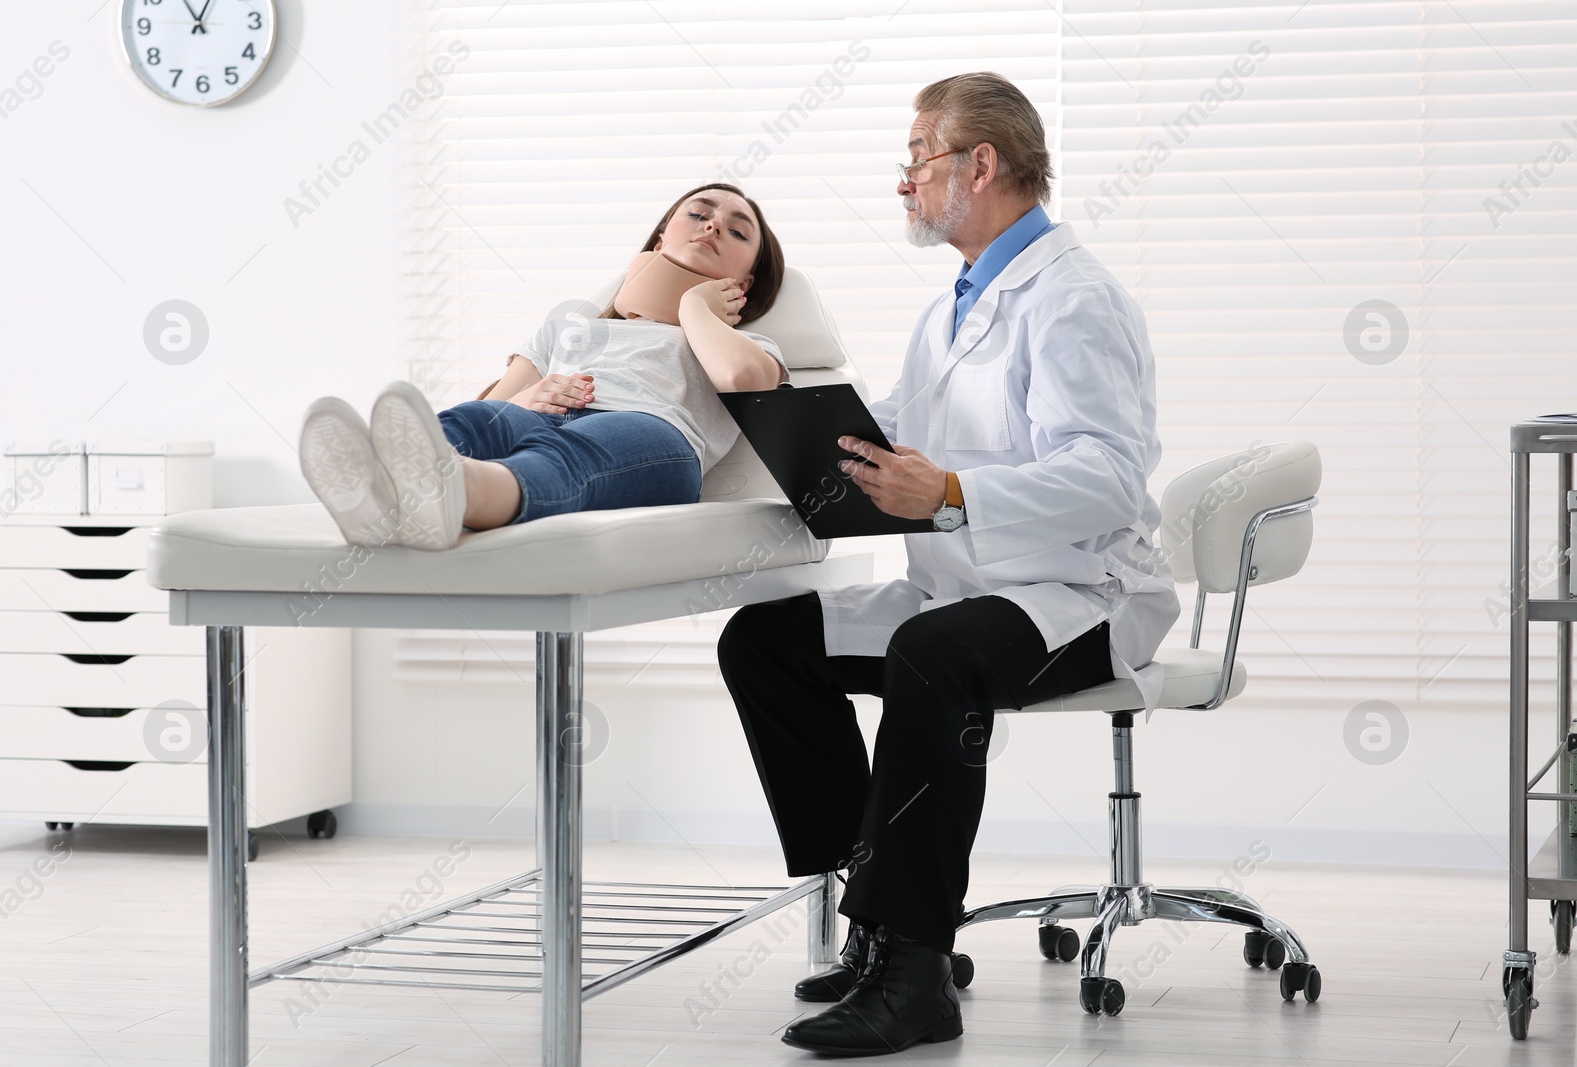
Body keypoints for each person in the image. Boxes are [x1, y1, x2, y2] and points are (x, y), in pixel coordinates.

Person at [716, 72, 1180, 1056]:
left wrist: (953, 493)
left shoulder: (1072, 296)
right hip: (970, 588)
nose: (904, 184)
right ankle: (879, 913)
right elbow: (899, 436)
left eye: (917, 160)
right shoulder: (952, 311)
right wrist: (801, 436)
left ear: (981, 163)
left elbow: (1106, 476)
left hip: (1080, 595)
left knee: (934, 653)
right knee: (765, 638)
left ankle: (916, 970)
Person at [295, 183, 788, 550]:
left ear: (745, 280)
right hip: (541, 415)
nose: (713, 224)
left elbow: (744, 381)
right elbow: (487, 409)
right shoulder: (570, 327)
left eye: (738, 230)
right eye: (698, 213)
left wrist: (695, 308)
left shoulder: (745, 344)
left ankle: (456, 490)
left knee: (566, 457)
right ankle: (375, 488)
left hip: (654, 438)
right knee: (473, 422)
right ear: (660, 240)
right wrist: (525, 400)